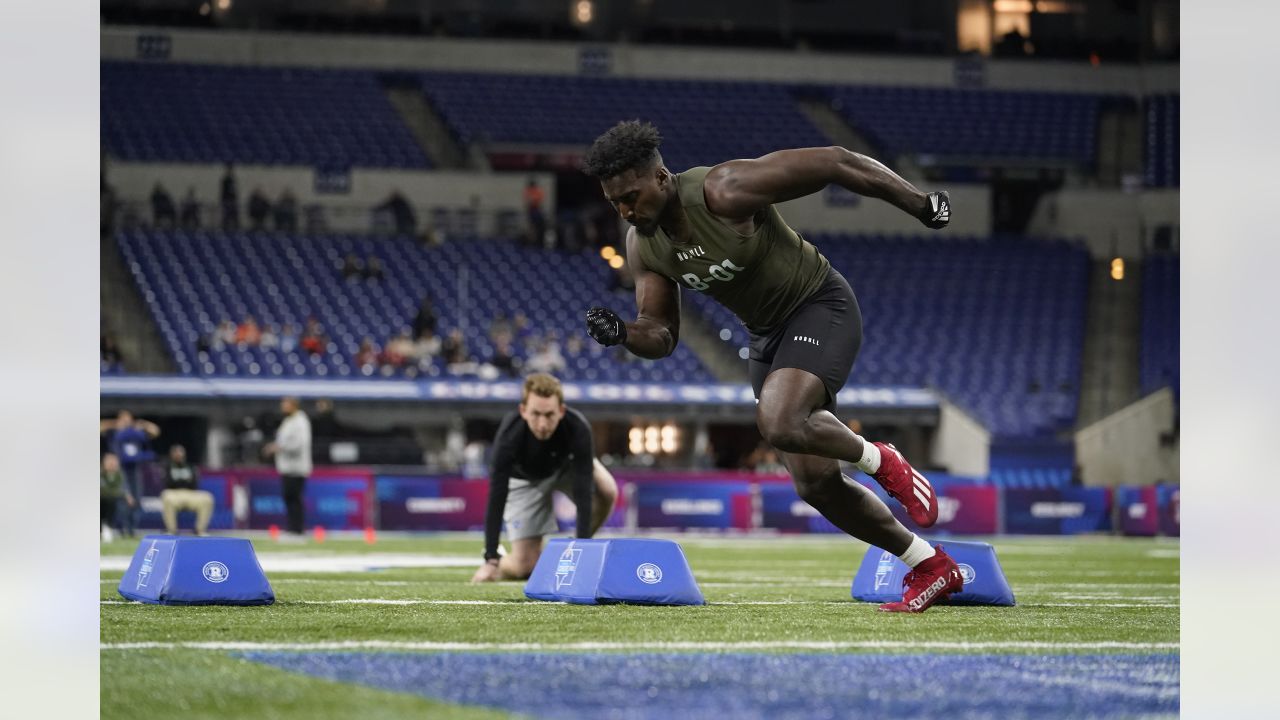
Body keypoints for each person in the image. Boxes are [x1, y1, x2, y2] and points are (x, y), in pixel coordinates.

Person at [581, 120, 959, 613]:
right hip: (766, 339)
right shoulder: (642, 245)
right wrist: (624, 334)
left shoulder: (724, 189)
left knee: (780, 420)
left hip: (818, 305)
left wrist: (921, 204)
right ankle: (931, 565)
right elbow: (663, 334)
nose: (627, 211)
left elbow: (837, 161)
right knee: (815, 484)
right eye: (616, 204)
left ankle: (881, 460)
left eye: (632, 196)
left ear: (660, 177)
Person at [471, 373, 618, 582]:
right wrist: (491, 558)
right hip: (525, 480)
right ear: (523, 411)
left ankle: (574, 548)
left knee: (607, 489)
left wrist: (581, 550)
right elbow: (497, 494)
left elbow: (583, 490)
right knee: (525, 568)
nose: (542, 424)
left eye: (549, 415)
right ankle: (503, 563)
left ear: (561, 411)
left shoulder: (578, 427)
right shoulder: (509, 434)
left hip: (566, 466)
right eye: (535, 414)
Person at [99, 411, 160, 538]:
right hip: (119, 470)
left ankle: (132, 529)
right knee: (123, 499)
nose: (126, 421)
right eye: (123, 419)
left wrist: (143, 424)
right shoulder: (115, 431)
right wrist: (115, 424)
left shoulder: (135, 433)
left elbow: (155, 431)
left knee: (136, 498)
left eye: (128, 419)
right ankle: (122, 529)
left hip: (135, 468)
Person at [264, 397, 312, 536]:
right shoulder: (288, 421)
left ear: (293, 405)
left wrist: (279, 448)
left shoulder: (300, 421)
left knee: (294, 498)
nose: (282, 407)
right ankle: (292, 527)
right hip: (287, 467)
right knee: (289, 497)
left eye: (285, 404)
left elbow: (299, 444)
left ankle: (297, 529)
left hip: (296, 468)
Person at [159, 445, 214, 536]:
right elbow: (168, 483)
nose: (178, 454)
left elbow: (194, 483)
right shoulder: (167, 466)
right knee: (166, 496)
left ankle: (200, 530)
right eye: (175, 452)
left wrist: (179, 481)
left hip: (190, 493)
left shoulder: (190, 466)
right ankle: (171, 530)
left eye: (180, 452)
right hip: (174, 494)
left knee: (207, 498)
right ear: (171, 454)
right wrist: (183, 480)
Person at [100, 453, 133, 541]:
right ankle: (103, 528)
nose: (112, 463)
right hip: (102, 500)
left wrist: (127, 495)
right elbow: (103, 490)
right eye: (109, 461)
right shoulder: (100, 473)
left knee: (114, 503)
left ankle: (120, 530)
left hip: (115, 499)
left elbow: (124, 488)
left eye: (114, 461)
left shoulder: (120, 474)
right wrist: (117, 493)